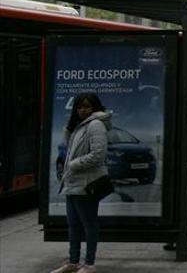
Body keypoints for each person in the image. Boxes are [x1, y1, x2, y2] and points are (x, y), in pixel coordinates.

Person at [52, 93, 111, 273]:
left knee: (89, 224)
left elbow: (98, 154)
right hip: (73, 183)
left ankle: (89, 264)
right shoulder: (78, 126)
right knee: (74, 225)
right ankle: (73, 261)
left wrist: (73, 164)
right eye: (79, 107)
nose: (83, 110)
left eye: (87, 106)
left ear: (95, 107)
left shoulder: (95, 124)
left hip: (87, 184)